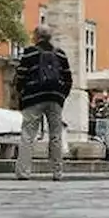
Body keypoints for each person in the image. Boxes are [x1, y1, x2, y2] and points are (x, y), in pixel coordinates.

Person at [14, 25, 73, 181]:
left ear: (36, 37)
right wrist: (61, 97)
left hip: (33, 98)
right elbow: (68, 79)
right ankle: (57, 173)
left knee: (28, 135)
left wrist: (22, 93)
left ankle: (24, 172)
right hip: (55, 99)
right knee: (56, 136)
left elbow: (20, 76)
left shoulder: (29, 53)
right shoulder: (60, 54)